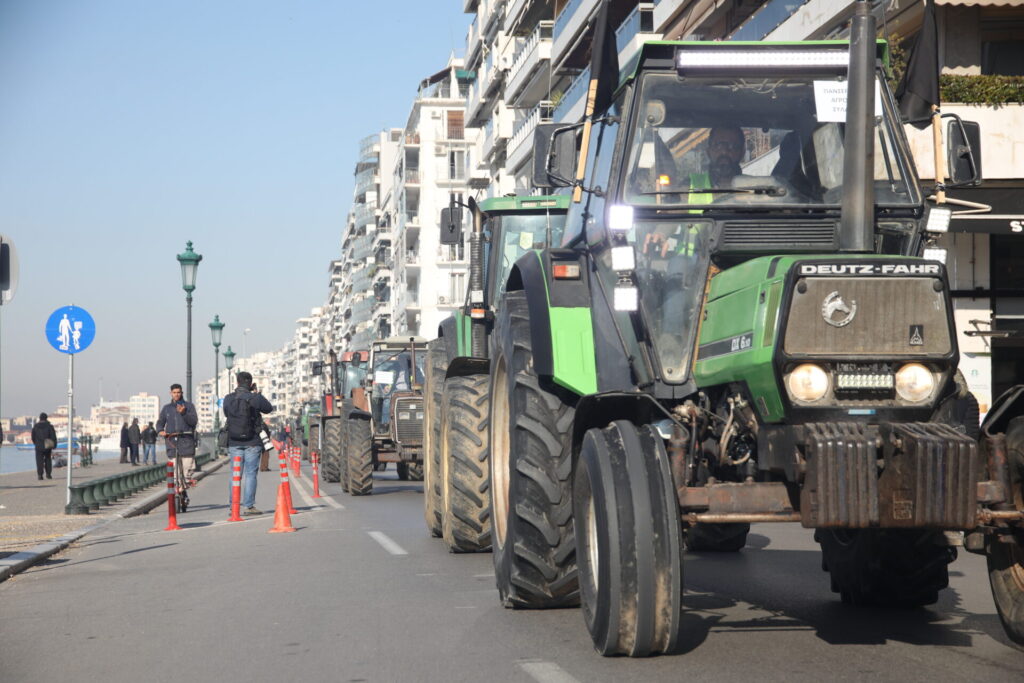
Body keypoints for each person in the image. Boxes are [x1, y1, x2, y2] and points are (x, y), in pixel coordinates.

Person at [223, 372, 274, 515]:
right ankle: (249, 506)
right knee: (250, 474)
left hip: (234, 442)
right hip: (253, 442)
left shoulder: (228, 398)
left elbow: (227, 413)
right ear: (251, 384)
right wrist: (256, 393)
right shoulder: (255, 398)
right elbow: (269, 408)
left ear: (237, 383)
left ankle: (233, 506)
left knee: (235, 474)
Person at [156, 383, 199, 483]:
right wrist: (160, 430)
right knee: (175, 475)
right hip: (172, 443)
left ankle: (183, 491)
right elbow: (160, 422)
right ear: (171, 393)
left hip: (186, 442)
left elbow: (194, 422)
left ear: (182, 393)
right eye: (174, 392)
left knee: (186, 474)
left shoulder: (189, 406)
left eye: (178, 392)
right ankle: (177, 493)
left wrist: (184, 413)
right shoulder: (167, 408)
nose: (176, 394)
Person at [31, 412, 57, 481]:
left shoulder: (35, 427)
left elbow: (33, 437)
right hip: (47, 445)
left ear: (40, 418)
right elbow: (53, 436)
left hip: (38, 446)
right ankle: (48, 474)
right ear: (46, 418)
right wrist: (54, 445)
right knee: (48, 459)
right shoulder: (49, 426)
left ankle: (40, 475)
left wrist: (35, 443)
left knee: (39, 460)